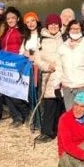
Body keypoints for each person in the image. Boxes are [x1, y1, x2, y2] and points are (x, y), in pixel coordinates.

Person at [0, 6, 30, 126]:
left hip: (17, 65)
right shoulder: (5, 31)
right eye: (8, 18)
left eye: (13, 18)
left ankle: (27, 114)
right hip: (4, 65)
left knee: (15, 93)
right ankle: (16, 117)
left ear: (18, 18)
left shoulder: (22, 31)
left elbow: (26, 46)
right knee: (6, 92)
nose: (10, 20)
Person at [52, 20, 84, 110]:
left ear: (82, 30)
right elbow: (59, 67)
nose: (75, 31)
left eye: (77, 28)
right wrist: (56, 84)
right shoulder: (63, 47)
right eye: (72, 28)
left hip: (83, 87)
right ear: (68, 30)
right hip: (67, 88)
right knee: (70, 115)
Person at [34, 13, 65, 141]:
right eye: (51, 24)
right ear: (47, 25)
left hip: (63, 77)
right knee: (50, 106)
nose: (53, 26)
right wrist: (46, 66)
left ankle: (61, 131)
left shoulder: (65, 37)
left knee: (62, 107)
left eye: (56, 24)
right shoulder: (41, 40)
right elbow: (37, 60)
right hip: (49, 78)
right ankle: (47, 132)